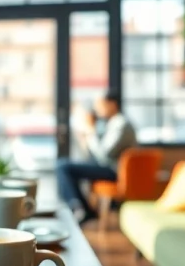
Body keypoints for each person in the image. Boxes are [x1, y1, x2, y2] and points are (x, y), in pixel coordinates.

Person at [56, 91, 137, 223]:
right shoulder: (110, 124)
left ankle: (80, 208)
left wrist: (90, 132)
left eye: (99, 104)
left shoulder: (121, 125)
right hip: (107, 166)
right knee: (66, 166)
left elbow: (104, 155)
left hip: (114, 170)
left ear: (112, 104)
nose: (97, 109)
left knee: (63, 166)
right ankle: (83, 209)